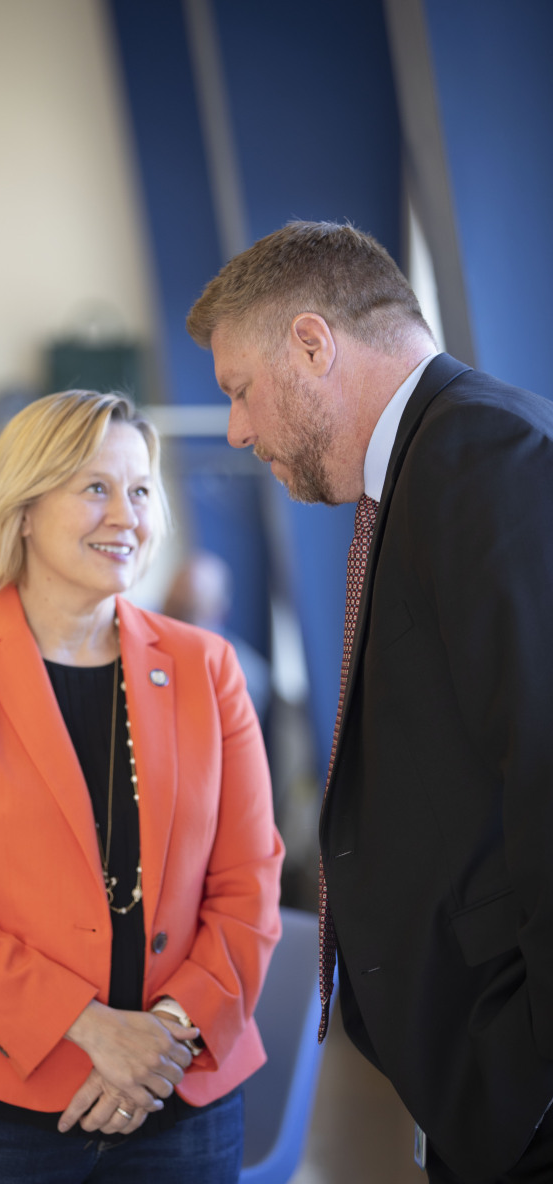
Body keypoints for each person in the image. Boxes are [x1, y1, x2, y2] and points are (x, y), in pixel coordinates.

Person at [186, 221, 553, 1184]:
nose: (236, 430)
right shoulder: (429, 466)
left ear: (313, 343)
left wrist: (530, 1077)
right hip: (473, 1077)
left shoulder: (486, 455)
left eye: (239, 390)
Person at [0, 388, 284, 1184]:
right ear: (22, 509)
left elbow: (250, 881)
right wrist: (92, 1029)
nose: (126, 515)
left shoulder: (207, 666)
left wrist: (161, 1037)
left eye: (142, 490)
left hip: (177, 1098)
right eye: (95, 487)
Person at [162, 550, 271, 724]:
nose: (178, 627)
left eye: (189, 612)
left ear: (220, 612)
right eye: (173, 609)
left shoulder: (246, 677)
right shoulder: (142, 648)